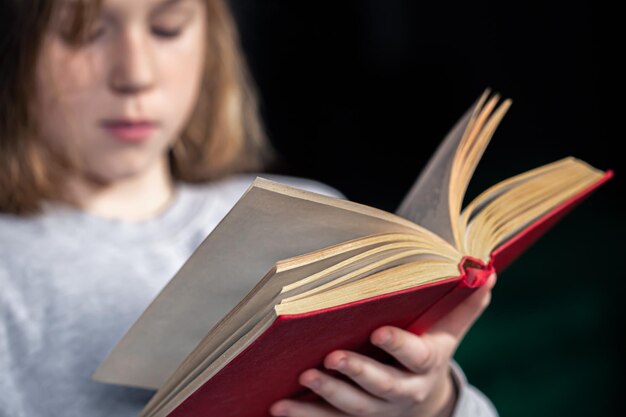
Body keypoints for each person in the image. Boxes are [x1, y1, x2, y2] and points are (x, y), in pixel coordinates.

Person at [0, 0, 498, 416]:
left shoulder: (316, 216)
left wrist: (432, 401)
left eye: (167, 28)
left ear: (210, 45)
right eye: (82, 32)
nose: (135, 74)